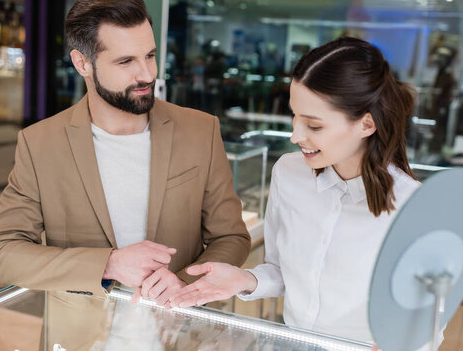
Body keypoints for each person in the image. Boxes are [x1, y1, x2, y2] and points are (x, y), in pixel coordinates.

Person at [0, 0, 250, 304]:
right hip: (83, 340)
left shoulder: (200, 131)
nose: (147, 73)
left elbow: (231, 237)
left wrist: (182, 284)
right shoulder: (40, 144)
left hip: (179, 334)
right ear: (82, 63)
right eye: (125, 61)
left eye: (150, 55)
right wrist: (109, 264)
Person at [170, 37, 435, 349]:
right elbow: (284, 271)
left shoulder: (415, 207)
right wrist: (245, 280)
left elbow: (429, 322)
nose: (296, 135)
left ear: (366, 124)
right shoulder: (288, 173)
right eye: (295, 116)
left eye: (314, 126)